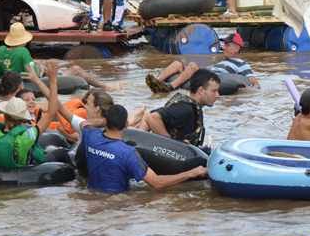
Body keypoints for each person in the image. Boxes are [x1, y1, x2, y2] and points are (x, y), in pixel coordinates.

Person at [70, 104, 206, 193]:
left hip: (92, 194)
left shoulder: (91, 136)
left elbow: (86, 123)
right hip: (117, 203)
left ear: (106, 121)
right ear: (126, 124)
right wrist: (191, 173)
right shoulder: (128, 153)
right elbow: (157, 183)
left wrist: (105, 121)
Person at [0, 60, 59, 169]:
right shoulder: (25, 137)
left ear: (5, 113)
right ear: (23, 119)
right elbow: (51, 113)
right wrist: (53, 80)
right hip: (21, 177)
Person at [146, 31, 259, 93]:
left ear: (237, 48)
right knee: (178, 63)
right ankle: (156, 82)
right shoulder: (221, 61)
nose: (224, 47)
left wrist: (247, 90)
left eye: (227, 45)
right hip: (206, 74)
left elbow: (254, 82)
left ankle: (171, 87)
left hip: (213, 78)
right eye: (225, 45)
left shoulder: (241, 63)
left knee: (193, 65)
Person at [145, 69, 220, 147]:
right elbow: (152, 117)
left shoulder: (193, 109)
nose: (217, 95)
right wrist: (170, 144)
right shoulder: (186, 109)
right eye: (214, 91)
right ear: (201, 90)